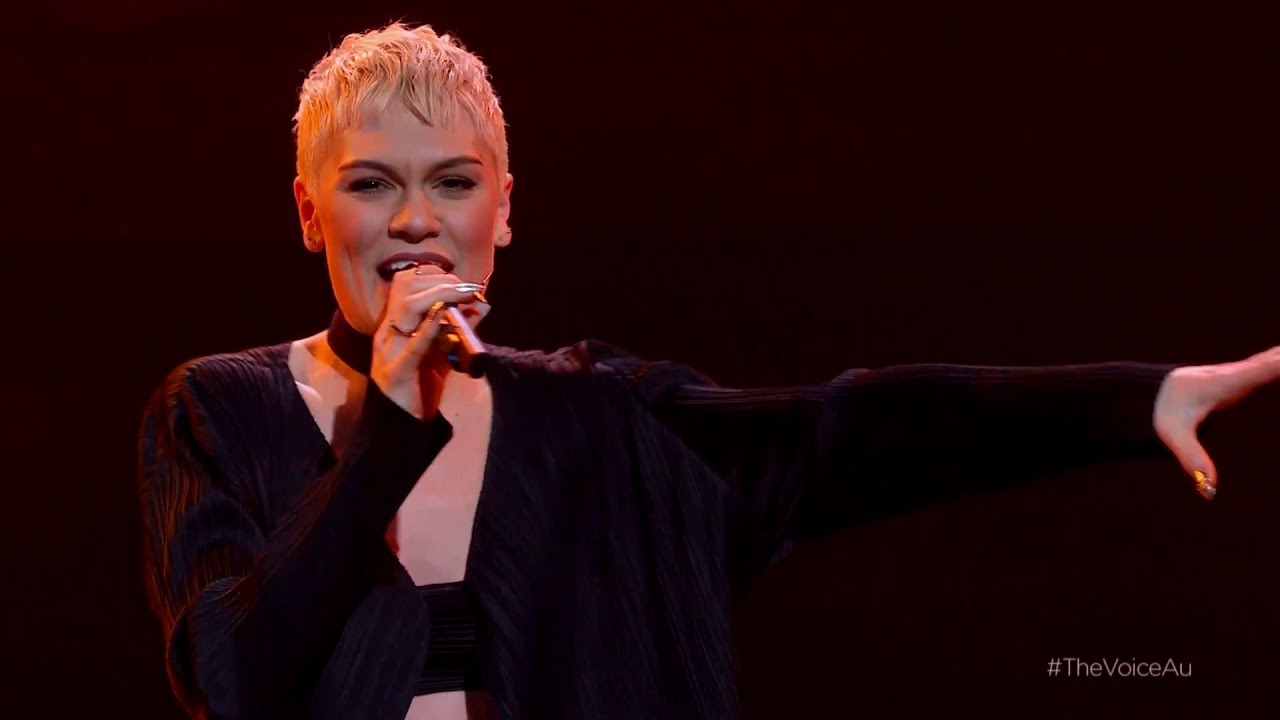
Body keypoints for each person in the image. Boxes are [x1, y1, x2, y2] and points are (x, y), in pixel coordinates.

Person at [136, 21, 1280, 720]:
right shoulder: (219, 411)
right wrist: (388, 419)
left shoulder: (600, 420)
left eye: (452, 182)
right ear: (309, 212)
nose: (414, 221)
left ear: (503, 211)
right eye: (370, 184)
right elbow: (231, 678)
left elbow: (848, 433)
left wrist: (1137, 399)